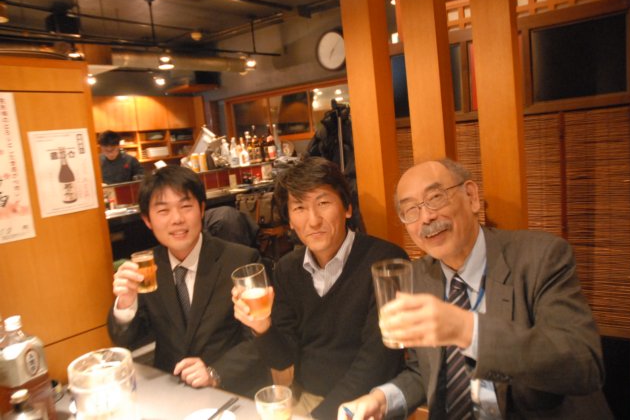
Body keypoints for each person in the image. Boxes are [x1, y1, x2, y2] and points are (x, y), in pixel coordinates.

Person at [339, 158, 612, 420]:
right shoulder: (418, 276)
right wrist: (382, 399)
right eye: (411, 210)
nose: (426, 217)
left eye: (436, 198)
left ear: (471, 197)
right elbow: (426, 371)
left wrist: (466, 330)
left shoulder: (541, 257)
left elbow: (582, 363)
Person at [232, 156, 406, 419]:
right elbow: (283, 358)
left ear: (347, 208)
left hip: (370, 403)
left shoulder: (386, 262)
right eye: (299, 207)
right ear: (290, 221)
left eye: (323, 203)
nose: (313, 221)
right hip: (307, 400)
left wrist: (319, 416)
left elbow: (378, 362)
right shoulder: (288, 268)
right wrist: (262, 327)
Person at [107, 165, 270, 397]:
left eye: (186, 207)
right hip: (172, 390)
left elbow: (260, 339)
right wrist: (126, 304)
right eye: (163, 211)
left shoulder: (241, 260)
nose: (177, 219)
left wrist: (214, 373)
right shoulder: (146, 268)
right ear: (147, 220)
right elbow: (128, 340)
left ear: (201, 209)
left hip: (231, 392)